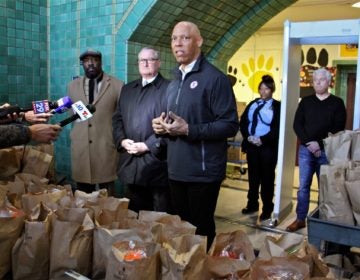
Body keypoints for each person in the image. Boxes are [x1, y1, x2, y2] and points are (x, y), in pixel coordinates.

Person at [152, 21, 239, 249]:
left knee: (201, 230)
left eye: (185, 38)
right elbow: (174, 122)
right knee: (181, 229)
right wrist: (162, 127)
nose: (177, 43)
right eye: (173, 38)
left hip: (203, 172)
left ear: (199, 41)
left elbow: (229, 125)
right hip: (176, 169)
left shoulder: (215, 79)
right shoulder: (174, 82)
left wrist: (189, 129)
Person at [287, 68, 346, 232]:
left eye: (321, 79)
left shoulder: (337, 103)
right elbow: (297, 125)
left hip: (327, 151)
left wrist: (319, 144)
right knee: (303, 187)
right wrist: (309, 144)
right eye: (315, 80)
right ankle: (300, 219)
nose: (317, 82)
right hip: (306, 151)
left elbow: (338, 128)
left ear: (329, 82)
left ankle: (321, 221)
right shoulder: (305, 102)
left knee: (325, 188)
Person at [112, 47, 170, 213]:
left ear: (158, 63)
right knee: (134, 214)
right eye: (141, 60)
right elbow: (117, 119)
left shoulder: (169, 89)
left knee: (159, 217)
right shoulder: (128, 89)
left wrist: (147, 145)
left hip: (157, 164)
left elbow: (173, 126)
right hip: (131, 164)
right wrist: (122, 140)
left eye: (150, 59)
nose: (145, 63)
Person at [67, 49, 124, 195]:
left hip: (106, 148)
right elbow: (73, 116)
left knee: (108, 196)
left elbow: (121, 118)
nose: (91, 64)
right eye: (86, 60)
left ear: (101, 62)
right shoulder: (72, 86)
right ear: (82, 64)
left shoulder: (118, 85)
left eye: (95, 60)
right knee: (83, 196)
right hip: (81, 149)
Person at [239, 75, 281, 221]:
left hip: (267, 148)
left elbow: (277, 128)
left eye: (266, 89)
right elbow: (243, 121)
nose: (263, 92)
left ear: (272, 90)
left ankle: (267, 208)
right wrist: (248, 136)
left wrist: (261, 139)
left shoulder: (277, 106)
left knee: (267, 179)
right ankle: (252, 204)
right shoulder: (253, 103)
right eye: (261, 88)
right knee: (253, 178)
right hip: (252, 146)